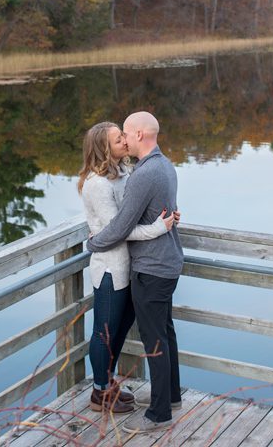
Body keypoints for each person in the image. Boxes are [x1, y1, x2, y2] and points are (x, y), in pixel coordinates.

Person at [87, 111, 184, 434]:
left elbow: (121, 226)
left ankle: (158, 415)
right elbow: (145, 216)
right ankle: (170, 398)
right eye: (119, 137)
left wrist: (94, 242)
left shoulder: (143, 174)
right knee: (164, 333)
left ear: (139, 135)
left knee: (154, 340)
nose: (124, 140)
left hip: (152, 267)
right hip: (164, 263)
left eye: (125, 134)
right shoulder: (164, 165)